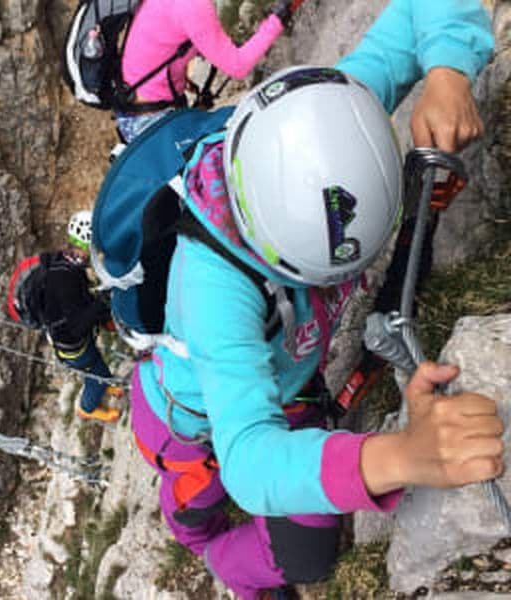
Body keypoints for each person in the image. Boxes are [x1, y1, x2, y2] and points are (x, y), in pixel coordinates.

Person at [127, 1, 497, 598]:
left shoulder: (323, 118)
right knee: (219, 522)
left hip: (285, 386)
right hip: (185, 423)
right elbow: (249, 463)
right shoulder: (212, 288)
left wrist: (448, 72)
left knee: (310, 547)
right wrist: (403, 455)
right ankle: (220, 559)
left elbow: (416, 10)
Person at [114, 0, 299, 142]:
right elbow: (238, 66)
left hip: (132, 109)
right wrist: (279, 18)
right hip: (152, 126)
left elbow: (161, 41)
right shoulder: (192, 6)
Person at [8, 211, 121, 423]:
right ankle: (88, 407)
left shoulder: (65, 261)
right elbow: (76, 325)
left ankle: (101, 384)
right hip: (72, 345)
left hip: (67, 336)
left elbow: (76, 304)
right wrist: (101, 303)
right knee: (98, 372)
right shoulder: (66, 279)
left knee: (95, 365)